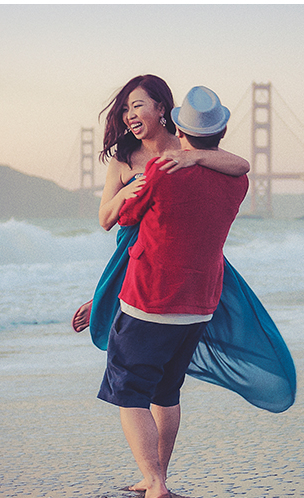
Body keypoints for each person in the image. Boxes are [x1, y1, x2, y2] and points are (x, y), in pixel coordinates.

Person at [97, 85, 250, 498]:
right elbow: (240, 165)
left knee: (128, 392)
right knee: (166, 391)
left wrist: (135, 188)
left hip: (151, 299)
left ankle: (153, 480)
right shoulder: (236, 182)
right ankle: (159, 474)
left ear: (176, 124)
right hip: (198, 305)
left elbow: (122, 219)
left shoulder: (165, 172)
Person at [71, 74, 249, 334]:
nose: (129, 114)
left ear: (161, 108)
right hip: (135, 250)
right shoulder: (123, 160)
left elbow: (241, 166)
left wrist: (195, 157)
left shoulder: (186, 143)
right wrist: (124, 194)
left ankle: (105, 303)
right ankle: (103, 302)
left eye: (137, 105)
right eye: (125, 109)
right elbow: (105, 219)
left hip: (181, 248)